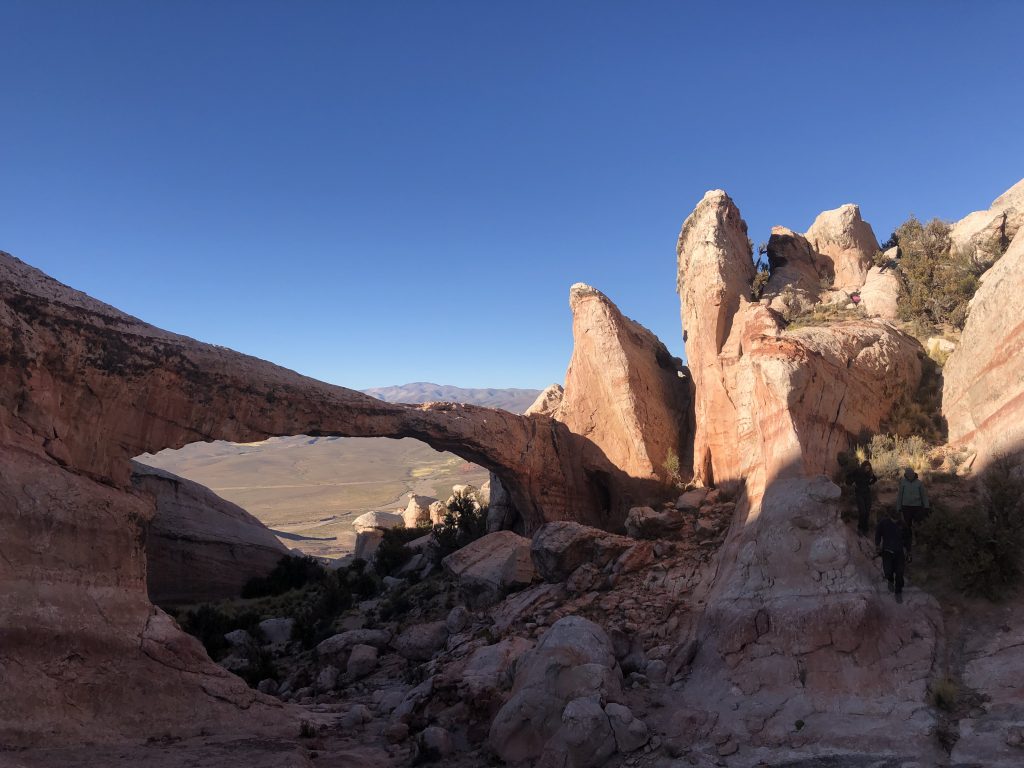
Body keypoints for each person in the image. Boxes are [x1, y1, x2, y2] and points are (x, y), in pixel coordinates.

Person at [875, 506, 908, 603]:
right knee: (888, 571)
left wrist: (908, 550)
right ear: (890, 517)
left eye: (897, 519)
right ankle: (890, 581)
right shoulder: (883, 523)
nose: (895, 521)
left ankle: (898, 593)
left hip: (899, 553)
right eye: (893, 519)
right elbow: (878, 533)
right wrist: (877, 544)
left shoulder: (902, 524)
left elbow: (907, 538)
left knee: (899, 573)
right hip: (887, 552)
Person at [896, 467, 929, 554]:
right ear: (906, 475)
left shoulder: (919, 483)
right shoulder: (903, 482)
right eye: (908, 474)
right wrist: (898, 507)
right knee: (907, 526)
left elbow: (924, 495)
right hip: (906, 507)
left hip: (917, 507)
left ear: (914, 474)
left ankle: (919, 541)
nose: (910, 475)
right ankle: (908, 542)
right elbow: (900, 495)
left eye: (911, 474)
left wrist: (926, 506)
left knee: (918, 524)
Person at [846, 460, 879, 536]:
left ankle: (866, 529)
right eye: (866, 468)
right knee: (862, 512)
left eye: (869, 468)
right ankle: (860, 529)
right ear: (863, 467)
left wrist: (870, 482)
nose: (867, 469)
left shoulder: (869, 473)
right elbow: (848, 477)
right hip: (859, 493)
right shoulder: (857, 471)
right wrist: (851, 483)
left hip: (867, 493)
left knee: (867, 512)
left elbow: (875, 479)